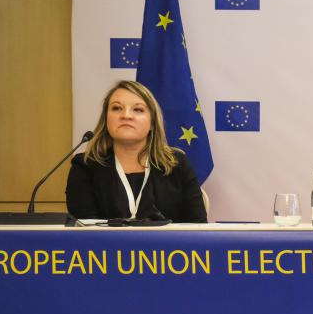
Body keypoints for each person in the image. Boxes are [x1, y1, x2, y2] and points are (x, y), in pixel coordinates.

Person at [66, 80, 207, 223]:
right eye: (116, 108)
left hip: (168, 246)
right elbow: (84, 234)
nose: (126, 115)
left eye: (138, 110)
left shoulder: (177, 164)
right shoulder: (85, 166)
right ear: (106, 119)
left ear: (152, 122)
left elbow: (197, 227)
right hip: (104, 246)